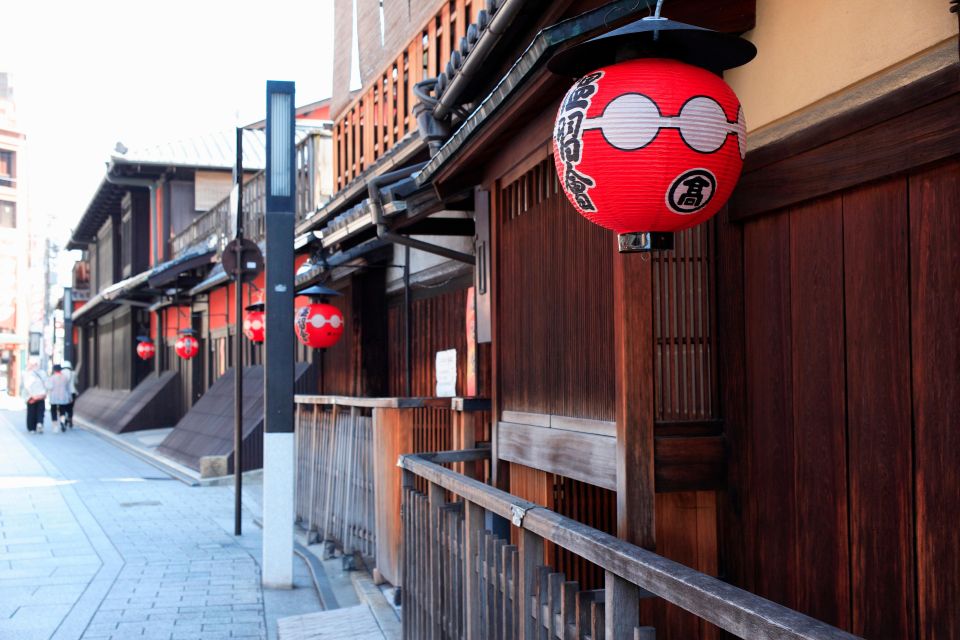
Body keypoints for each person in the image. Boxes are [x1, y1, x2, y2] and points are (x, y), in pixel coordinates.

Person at [20, 358, 47, 434]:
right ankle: (39, 423)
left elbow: (26, 386)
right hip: (41, 396)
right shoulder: (43, 373)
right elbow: (47, 384)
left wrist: (32, 396)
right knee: (40, 411)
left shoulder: (27, 373)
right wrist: (45, 393)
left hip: (31, 397)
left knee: (31, 412)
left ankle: (32, 428)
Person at [47, 364, 73, 432]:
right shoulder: (65, 378)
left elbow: (49, 387)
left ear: (54, 370)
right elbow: (68, 388)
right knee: (62, 411)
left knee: (53, 411)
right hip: (63, 397)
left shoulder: (52, 378)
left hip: (54, 397)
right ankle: (62, 422)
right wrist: (70, 397)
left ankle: (55, 425)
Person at [61, 360, 77, 428]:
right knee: (70, 408)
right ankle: (70, 419)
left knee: (62, 408)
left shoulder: (61, 373)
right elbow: (76, 382)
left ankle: (62, 421)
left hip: (63, 393)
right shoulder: (73, 373)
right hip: (72, 392)